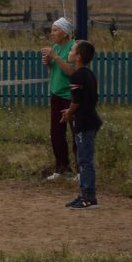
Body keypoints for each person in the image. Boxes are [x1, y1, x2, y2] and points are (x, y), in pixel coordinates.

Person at [63, 39, 103, 209]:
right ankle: (84, 194)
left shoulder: (77, 75)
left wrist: (68, 113)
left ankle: (89, 198)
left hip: (85, 122)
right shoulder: (89, 74)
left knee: (85, 161)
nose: (69, 53)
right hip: (90, 120)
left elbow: (76, 101)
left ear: (78, 56)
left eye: (71, 50)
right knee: (83, 159)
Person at [40, 16, 80, 182]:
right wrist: (48, 62)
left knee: (76, 133)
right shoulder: (56, 46)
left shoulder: (73, 47)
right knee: (56, 133)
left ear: (65, 33)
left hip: (70, 96)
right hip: (56, 94)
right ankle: (62, 168)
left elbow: (71, 72)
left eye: (55, 30)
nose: (52, 33)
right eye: (51, 30)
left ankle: (80, 171)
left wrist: (55, 56)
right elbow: (55, 71)